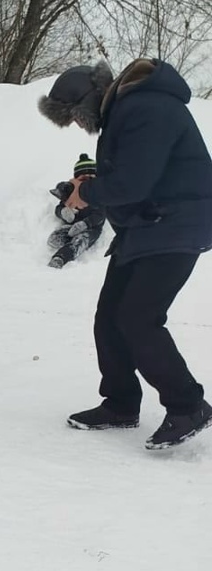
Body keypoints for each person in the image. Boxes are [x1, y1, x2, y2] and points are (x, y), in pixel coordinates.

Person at [39, 58, 212, 450]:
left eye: (76, 118)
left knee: (138, 318)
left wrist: (91, 192)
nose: (81, 127)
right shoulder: (128, 109)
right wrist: (88, 185)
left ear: (90, 99)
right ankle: (120, 403)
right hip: (147, 226)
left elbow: (133, 183)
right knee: (110, 317)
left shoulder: (145, 107)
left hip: (175, 224)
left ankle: (188, 405)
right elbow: (132, 174)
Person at [47, 153, 106, 268]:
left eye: (91, 178)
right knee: (55, 238)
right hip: (72, 226)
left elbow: (100, 215)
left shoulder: (98, 195)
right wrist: (63, 213)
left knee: (79, 242)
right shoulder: (72, 194)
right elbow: (58, 208)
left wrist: (85, 224)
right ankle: (64, 244)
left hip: (91, 228)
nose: (87, 182)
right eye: (83, 179)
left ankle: (60, 258)